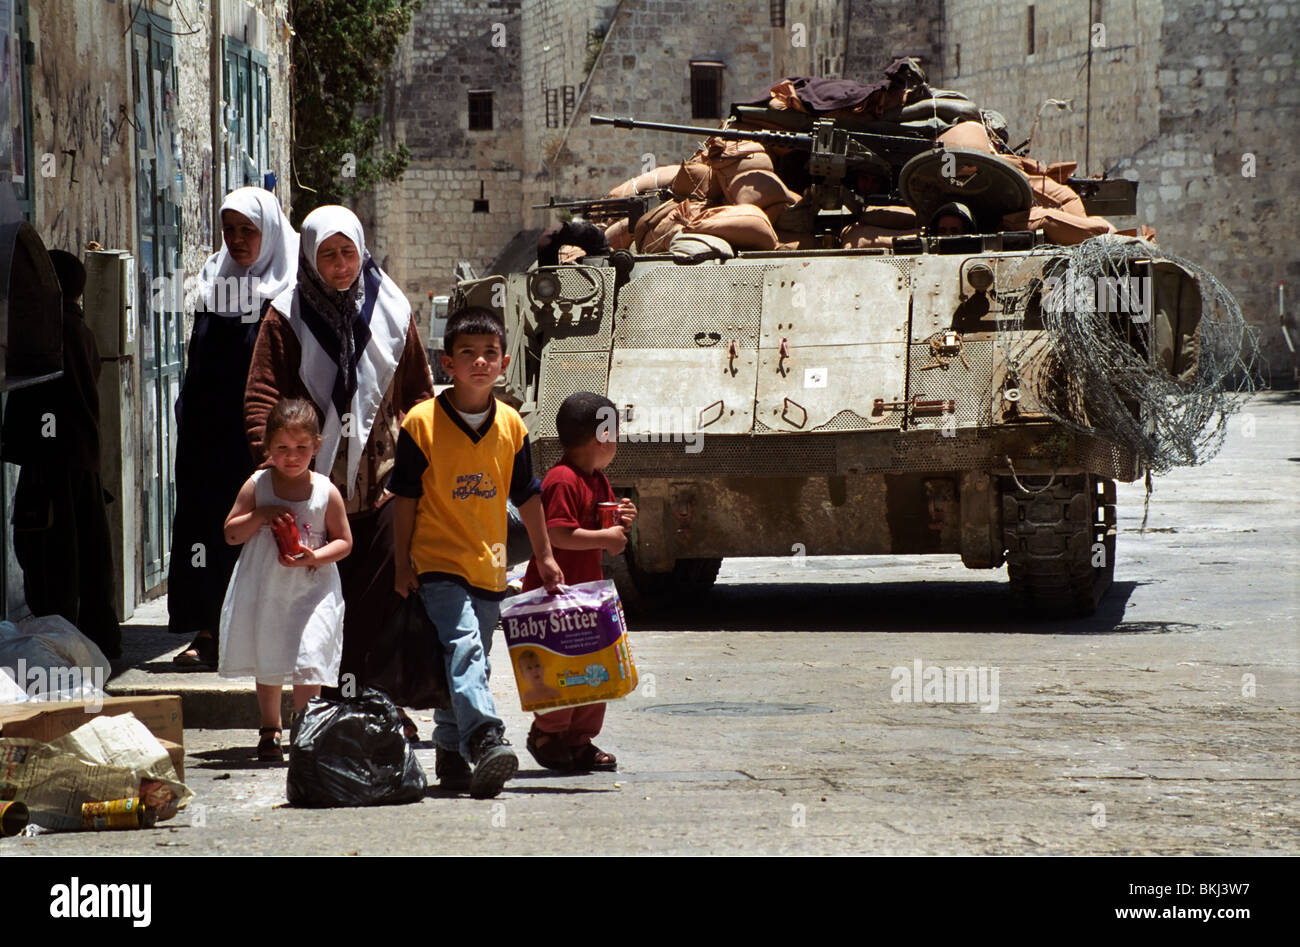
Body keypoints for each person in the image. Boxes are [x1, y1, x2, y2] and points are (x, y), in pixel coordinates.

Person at [244, 205, 434, 737]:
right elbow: (261, 398)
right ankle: (327, 710)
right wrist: (275, 471)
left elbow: (418, 392)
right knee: (322, 601)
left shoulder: (392, 309)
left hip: (384, 482)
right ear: (309, 256)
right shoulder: (285, 316)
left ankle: (374, 706)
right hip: (313, 488)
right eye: (328, 254)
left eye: (348, 251)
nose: (340, 263)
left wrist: (428, 466)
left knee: (381, 600)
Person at [390, 305, 564, 798]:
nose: (480, 363)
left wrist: (545, 556)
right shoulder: (421, 424)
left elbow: (527, 495)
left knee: (470, 660)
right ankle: (487, 738)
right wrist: (403, 564)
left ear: (505, 363)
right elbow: (405, 500)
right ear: (448, 363)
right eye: (468, 354)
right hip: (437, 563)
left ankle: (449, 752)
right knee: (463, 646)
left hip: (490, 566)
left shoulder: (511, 426)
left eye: (490, 354)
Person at [171, 188, 298, 668]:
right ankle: (207, 631)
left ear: (268, 231)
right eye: (230, 230)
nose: (239, 240)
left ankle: (263, 635)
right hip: (207, 431)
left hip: (261, 435)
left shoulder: (287, 290)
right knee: (207, 527)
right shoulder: (213, 281)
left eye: (249, 229)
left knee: (264, 526)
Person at [0, 249, 121, 658]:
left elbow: (37, 398)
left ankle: (61, 651)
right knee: (83, 561)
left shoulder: (52, 333)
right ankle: (94, 643)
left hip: (54, 468)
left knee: (55, 564)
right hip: (77, 463)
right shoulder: (77, 329)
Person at [218, 398, 352, 761]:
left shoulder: (325, 490)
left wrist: (316, 556)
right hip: (268, 589)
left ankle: (306, 725)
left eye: (300, 448)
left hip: (313, 589)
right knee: (270, 653)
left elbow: (344, 541)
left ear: (316, 447)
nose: (291, 456)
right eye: (282, 448)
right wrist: (260, 514)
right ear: (267, 447)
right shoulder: (258, 485)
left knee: (310, 654)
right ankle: (270, 727)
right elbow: (231, 533)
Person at [519, 391, 637, 772]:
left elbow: (594, 525)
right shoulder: (561, 479)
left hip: (586, 595)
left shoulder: (597, 480)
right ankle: (547, 734)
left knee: (594, 671)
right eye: (614, 433)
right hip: (555, 595)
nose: (617, 442)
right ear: (601, 436)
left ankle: (580, 739)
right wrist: (606, 539)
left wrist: (621, 518)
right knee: (556, 670)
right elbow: (558, 533)